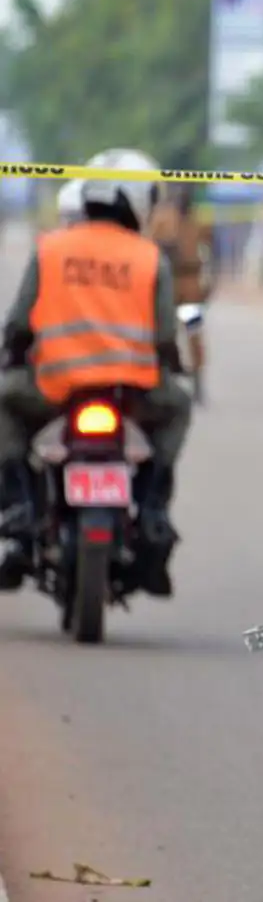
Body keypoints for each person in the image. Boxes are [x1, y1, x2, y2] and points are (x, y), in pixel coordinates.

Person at [0, 149, 193, 596]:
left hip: (55, 387)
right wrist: (171, 363)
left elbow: (20, 322)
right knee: (179, 406)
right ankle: (151, 506)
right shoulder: (148, 258)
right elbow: (165, 334)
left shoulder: (52, 249)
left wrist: (13, 352)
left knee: (5, 405)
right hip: (131, 391)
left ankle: (19, 505)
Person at [147, 186, 211, 399]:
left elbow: (211, 250)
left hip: (190, 284)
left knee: (193, 333)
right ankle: (161, 380)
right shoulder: (163, 221)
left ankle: (198, 382)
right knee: (163, 332)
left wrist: (210, 282)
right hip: (168, 284)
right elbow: (151, 247)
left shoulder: (199, 222)